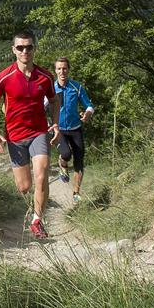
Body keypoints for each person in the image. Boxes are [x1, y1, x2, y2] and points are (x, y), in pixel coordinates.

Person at [0, 30, 57, 238]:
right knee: (24, 186)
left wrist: (56, 124)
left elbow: (54, 101)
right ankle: (28, 206)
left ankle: (37, 221)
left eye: (28, 47)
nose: (25, 51)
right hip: (15, 136)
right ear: (13, 50)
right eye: (20, 47)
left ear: (34, 48)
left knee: (42, 174)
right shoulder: (4, 77)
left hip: (38, 132)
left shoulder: (45, 77)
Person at [49, 57, 95, 207]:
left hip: (76, 128)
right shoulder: (50, 89)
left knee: (79, 161)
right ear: (55, 71)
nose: (62, 71)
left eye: (65, 68)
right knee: (67, 154)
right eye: (59, 69)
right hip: (59, 130)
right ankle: (62, 164)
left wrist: (88, 113)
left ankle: (76, 193)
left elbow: (89, 105)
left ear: (68, 70)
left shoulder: (77, 87)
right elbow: (41, 107)